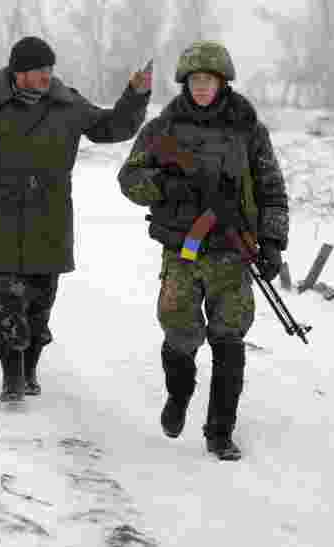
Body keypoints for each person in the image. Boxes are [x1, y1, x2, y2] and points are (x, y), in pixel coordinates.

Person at [0, 36, 151, 402]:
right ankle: (11, 378)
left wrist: (134, 96)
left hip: (50, 220)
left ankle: (29, 370)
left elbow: (111, 128)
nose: (46, 75)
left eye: (49, 69)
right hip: (2, 222)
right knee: (7, 305)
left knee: (40, 306)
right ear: (19, 72)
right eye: (38, 69)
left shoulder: (67, 104)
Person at [117, 41, 288, 460]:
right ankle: (179, 396)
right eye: (195, 80)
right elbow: (129, 178)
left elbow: (272, 189)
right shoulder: (164, 129)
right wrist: (167, 186)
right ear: (185, 83)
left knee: (229, 337)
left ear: (222, 81)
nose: (201, 87)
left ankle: (220, 432)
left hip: (232, 250)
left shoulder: (248, 128)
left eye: (208, 80)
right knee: (179, 331)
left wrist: (272, 242)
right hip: (183, 250)